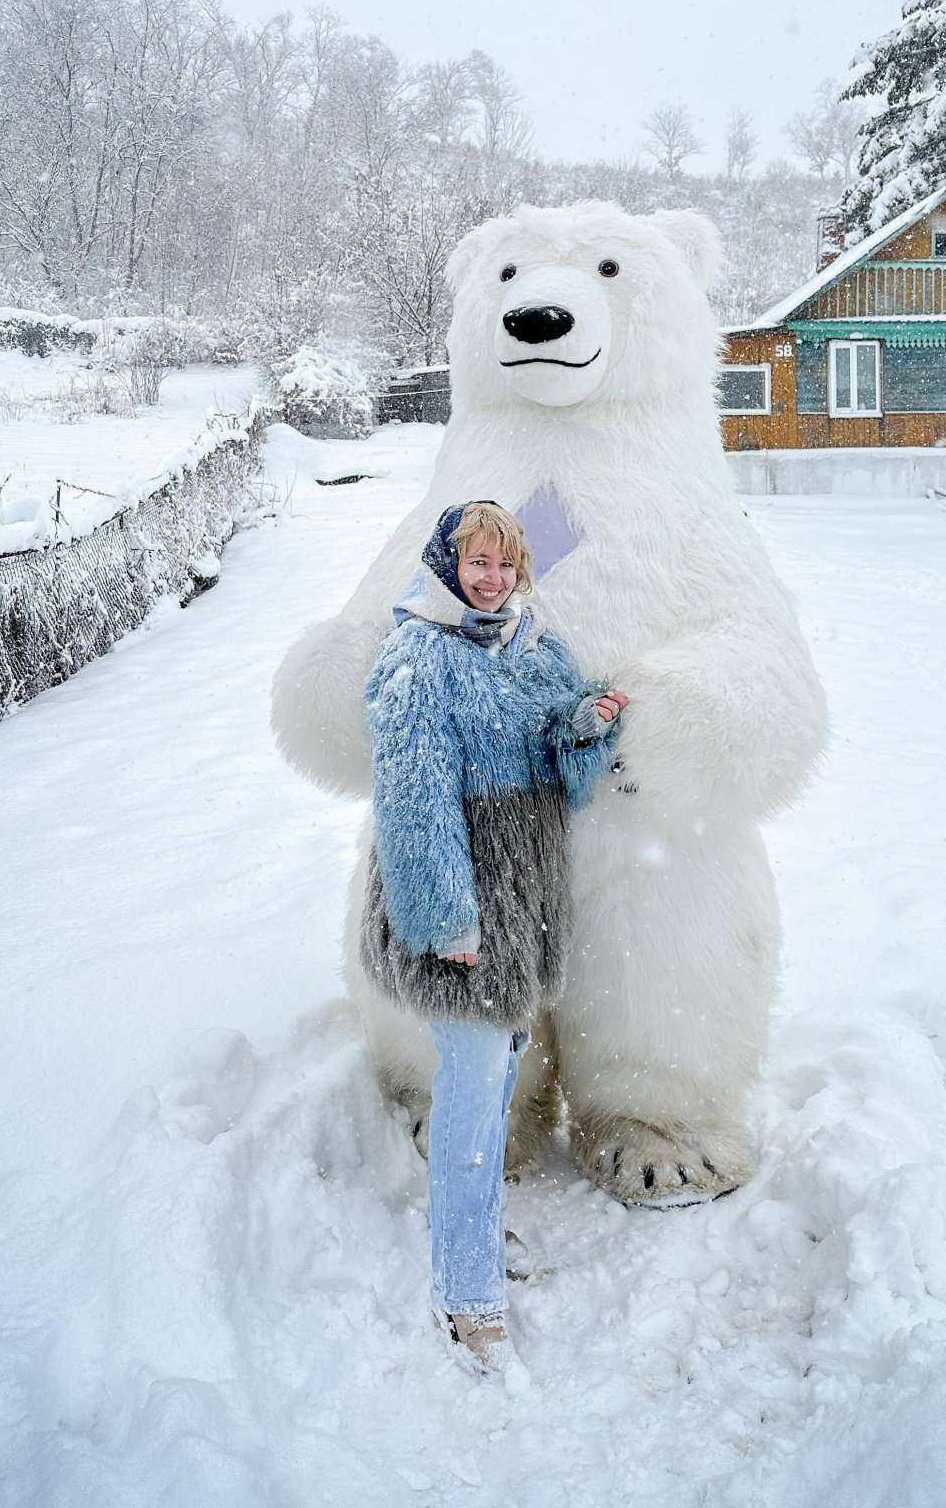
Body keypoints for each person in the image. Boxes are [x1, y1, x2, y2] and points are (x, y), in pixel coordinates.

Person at [360, 498, 628, 1380]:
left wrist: (584, 727)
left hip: (524, 909)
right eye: (477, 562)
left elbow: (562, 766)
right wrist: (449, 921)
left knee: (496, 1084)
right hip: (465, 911)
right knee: (472, 1104)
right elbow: (413, 801)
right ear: (448, 564)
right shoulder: (419, 655)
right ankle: (465, 1289)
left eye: (506, 563)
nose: (492, 578)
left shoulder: (533, 647)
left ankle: (470, 1228)